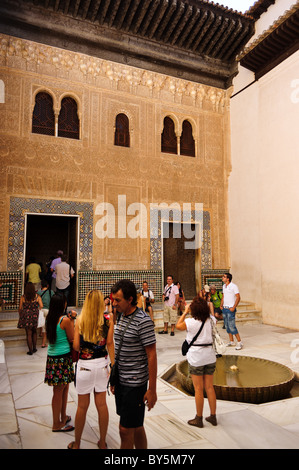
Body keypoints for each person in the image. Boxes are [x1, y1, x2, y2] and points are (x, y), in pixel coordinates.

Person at [111, 279, 157, 449]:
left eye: (118, 300)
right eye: (113, 299)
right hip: (122, 382)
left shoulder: (143, 321)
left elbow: (152, 355)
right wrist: (115, 378)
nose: (114, 303)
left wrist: (152, 389)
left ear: (130, 299)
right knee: (136, 426)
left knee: (125, 430)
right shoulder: (122, 316)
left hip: (135, 384)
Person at [68, 290, 115, 449]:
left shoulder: (80, 320)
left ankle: (77, 444)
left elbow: (75, 346)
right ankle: (102, 442)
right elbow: (109, 344)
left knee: (82, 407)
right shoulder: (108, 319)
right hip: (101, 366)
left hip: (85, 368)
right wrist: (113, 366)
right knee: (102, 405)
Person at [176, 296, 217, 428]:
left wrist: (185, 312)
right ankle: (213, 416)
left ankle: (198, 419)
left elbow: (178, 326)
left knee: (198, 389)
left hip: (197, 358)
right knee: (209, 387)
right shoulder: (211, 321)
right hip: (210, 356)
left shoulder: (191, 322)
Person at [44, 294, 76, 432]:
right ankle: (56, 423)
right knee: (58, 391)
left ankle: (63, 416)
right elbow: (72, 338)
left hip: (52, 358)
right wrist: (73, 319)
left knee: (64, 388)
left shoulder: (49, 319)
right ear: (62, 304)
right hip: (62, 358)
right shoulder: (65, 320)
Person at [17, 282, 43, 355]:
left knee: (28, 333)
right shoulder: (37, 297)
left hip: (26, 315)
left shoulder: (23, 297)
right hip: (34, 315)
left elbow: (20, 308)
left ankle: (30, 350)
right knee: (34, 331)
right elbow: (41, 305)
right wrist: (35, 309)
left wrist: (21, 314)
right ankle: (34, 348)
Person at [220, 273, 243, 350]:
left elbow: (238, 297)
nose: (222, 278)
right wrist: (221, 305)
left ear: (228, 279)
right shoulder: (224, 286)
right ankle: (231, 341)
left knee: (232, 326)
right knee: (227, 326)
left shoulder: (234, 286)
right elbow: (223, 296)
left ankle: (239, 342)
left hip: (230, 309)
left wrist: (233, 307)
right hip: (224, 308)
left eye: (224, 277)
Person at [37, 279, 55, 348]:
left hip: (40, 310)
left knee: (42, 323)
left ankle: (41, 333)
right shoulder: (51, 292)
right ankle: (43, 343)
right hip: (48, 310)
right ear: (48, 286)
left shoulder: (38, 292)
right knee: (47, 326)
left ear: (41, 286)